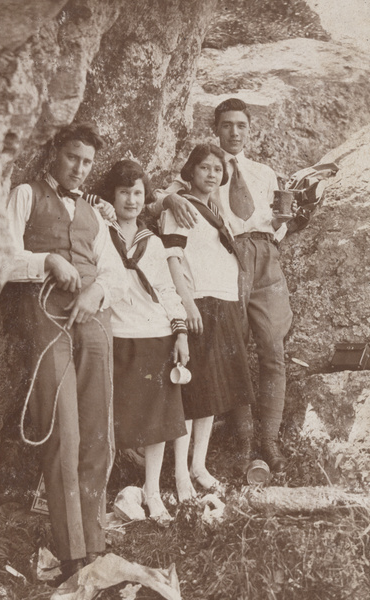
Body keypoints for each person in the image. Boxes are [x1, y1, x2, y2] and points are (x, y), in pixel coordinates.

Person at [4, 123, 126, 585]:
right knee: (65, 432)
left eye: (87, 162)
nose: (79, 168)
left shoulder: (96, 214)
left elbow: (113, 270)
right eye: (73, 157)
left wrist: (96, 291)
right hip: (44, 311)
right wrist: (47, 262)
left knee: (98, 430)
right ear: (56, 152)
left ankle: (96, 543)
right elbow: (0, 255)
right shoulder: (26, 194)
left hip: (93, 318)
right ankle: (73, 551)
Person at [151, 98, 293, 473]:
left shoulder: (264, 173)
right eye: (227, 125)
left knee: (273, 348)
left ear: (250, 129)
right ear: (216, 128)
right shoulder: (206, 167)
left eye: (241, 125)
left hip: (266, 256)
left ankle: (270, 440)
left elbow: (280, 218)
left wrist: (285, 224)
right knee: (233, 349)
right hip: (232, 256)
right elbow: (158, 198)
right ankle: (245, 443)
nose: (234, 132)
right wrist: (168, 196)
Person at [160, 143, 255, 499]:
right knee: (193, 393)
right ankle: (181, 472)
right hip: (200, 303)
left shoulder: (216, 209)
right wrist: (187, 306)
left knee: (212, 394)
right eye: (204, 167)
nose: (212, 174)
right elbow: (171, 258)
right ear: (191, 171)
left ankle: (199, 465)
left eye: (217, 169)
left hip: (224, 302)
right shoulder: (180, 207)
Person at [100, 159, 189, 524]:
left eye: (138, 193)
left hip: (156, 334)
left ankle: (152, 491)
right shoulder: (99, 233)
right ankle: (102, 492)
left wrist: (181, 330)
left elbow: (167, 289)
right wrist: (100, 205)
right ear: (112, 196)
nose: (132, 200)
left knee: (159, 420)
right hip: (117, 337)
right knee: (107, 418)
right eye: (124, 193)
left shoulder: (152, 242)